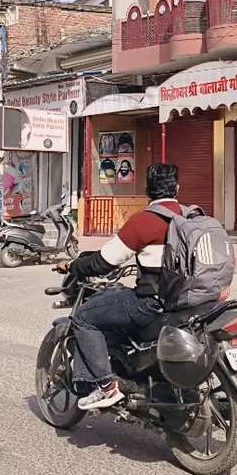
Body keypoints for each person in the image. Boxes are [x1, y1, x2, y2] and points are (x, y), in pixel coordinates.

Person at [69, 163, 183, 410]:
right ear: (177, 188)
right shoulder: (193, 217)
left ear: (147, 192)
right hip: (187, 301)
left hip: (152, 303)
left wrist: (74, 267)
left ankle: (106, 388)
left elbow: (104, 261)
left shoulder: (145, 221)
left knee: (84, 317)